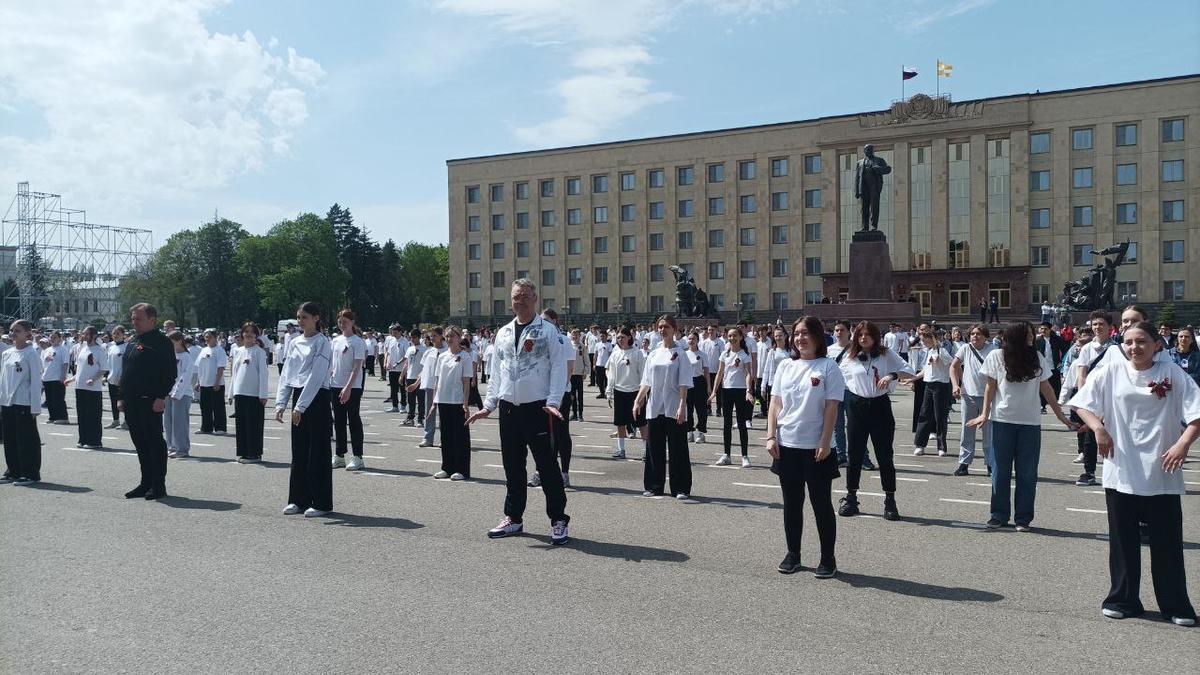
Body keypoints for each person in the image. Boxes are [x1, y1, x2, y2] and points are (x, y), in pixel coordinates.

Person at [1070, 321, 1198, 626]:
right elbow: (1081, 403)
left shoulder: (1172, 374)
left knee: (1167, 542)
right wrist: (1099, 428)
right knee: (1123, 540)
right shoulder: (1111, 372)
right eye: (1128, 342)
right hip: (1122, 468)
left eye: (1141, 342)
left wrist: (1182, 444)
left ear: (1157, 345)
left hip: (1162, 471)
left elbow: (1196, 412)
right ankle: (1123, 599)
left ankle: (1175, 605)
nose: (1134, 348)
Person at [466, 279, 570, 545]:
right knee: (512, 466)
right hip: (510, 409)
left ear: (535, 298)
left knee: (547, 467)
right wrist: (489, 405)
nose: (520, 300)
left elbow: (559, 367)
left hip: (540, 407)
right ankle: (513, 517)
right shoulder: (502, 333)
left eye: (525, 295)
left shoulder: (548, 331)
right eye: (515, 296)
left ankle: (558, 518)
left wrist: (554, 401)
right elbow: (497, 372)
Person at [968, 322, 1075, 531]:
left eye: (1032, 335)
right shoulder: (997, 356)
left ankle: (1023, 519)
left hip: (1030, 423)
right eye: (1027, 335)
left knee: (1027, 473)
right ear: (1016, 336)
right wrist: (984, 413)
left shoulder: (1037, 357)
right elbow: (990, 386)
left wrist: (1060, 415)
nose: (1032, 338)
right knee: (1000, 470)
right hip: (1002, 421)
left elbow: (1047, 388)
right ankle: (998, 515)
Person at [767, 317, 844, 578]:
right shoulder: (785, 367)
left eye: (806, 333)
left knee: (821, 504)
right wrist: (770, 436)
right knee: (792, 503)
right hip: (787, 444)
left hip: (816, 448)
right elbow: (775, 404)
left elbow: (831, 407)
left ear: (818, 338)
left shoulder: (828, 367)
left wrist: (824, 442)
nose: (800, 338)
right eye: (796, 333)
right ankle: (793, 554)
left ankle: (827, 558)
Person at [837, 321, 915, 521]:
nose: (863, 338)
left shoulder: (886, 354)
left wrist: (892, 375)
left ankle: (890, 500)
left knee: (884, 455)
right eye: (860, 335)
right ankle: (851, 497)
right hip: (856, 406)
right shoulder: (848, 356)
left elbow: (910, 370)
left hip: (880, 406)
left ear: (875, 336)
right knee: (854, 454)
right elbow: (834, 377)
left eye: (868, 334)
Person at [275, 301, 334, 518]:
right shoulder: (295, 342)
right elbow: (287, 373)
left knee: (317, 452)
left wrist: (301, 406)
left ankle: (321, 502)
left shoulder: (322, 342)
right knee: (299, 450)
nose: (301, 321)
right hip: (300, 396)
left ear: (316, 318)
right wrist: (281, 403)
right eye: (299, 317)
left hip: (317, 397)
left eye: (305, 317)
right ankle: (298, 499)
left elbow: (317, 375)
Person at [119, 303, 177, 500]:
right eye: (133, 318)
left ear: (152, 320)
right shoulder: (134, 340)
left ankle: (158, 485)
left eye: (138, 319)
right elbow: (126, 369)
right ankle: (145, 483)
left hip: (150, 401)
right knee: (140, 443)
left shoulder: (162, 342)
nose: (133, 322)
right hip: (131, 400)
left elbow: (170, 373)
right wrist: (121, 396)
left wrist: (161, 396)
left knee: (154, 442)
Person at [632, 315, 693, 499]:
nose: (662, 330)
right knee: (654, 447)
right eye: (660, 327)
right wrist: (638, 400)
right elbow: (646, 381)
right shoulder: (653, 353)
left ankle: (680, 487)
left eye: (666, 326)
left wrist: (682, 405)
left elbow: (684, 382)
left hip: (674, 406)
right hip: (655, 406)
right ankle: (653, 485)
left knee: (678, 448)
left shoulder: (681, 353)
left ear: (674, 329)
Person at [949, 324, 996, 477]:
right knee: (967, 430)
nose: (975, 336)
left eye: (979, 334)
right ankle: (964, 463)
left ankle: (990, 463)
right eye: (973, 334)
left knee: (988, 432)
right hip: (968, 396)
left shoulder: (993, 350)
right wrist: (956, 385)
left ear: (985, 336)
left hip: (988, 397)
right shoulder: (965, 348)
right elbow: (953, 367)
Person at [1, 320, 43, 486]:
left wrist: (35, 406)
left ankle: (30, 473)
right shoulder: (7, 353)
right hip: (8, 402)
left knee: (26, 439)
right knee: (10, 438)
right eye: (11, 330)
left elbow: (35, 381)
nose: (13, 333)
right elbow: (3, 379)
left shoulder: (31, 353)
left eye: (17, 330)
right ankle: (13, 471)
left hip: (24, 402)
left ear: (28, 333)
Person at [708, 326, 755, 467]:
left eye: (735, 335)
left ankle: (744, 456)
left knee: (741, 424)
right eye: (729, 336)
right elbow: (720, 373)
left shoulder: (744, 355)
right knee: (726, 424)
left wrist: (748, 390)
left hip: (740, 391)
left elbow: (748, 374)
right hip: (727, 391)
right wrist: (714, 391)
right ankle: (726, 455)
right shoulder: (724, 354)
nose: (732, 338)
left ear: (740, 337)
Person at [432, 325, 473, 481]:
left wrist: (465, 403)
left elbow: (466, 381)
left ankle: (461, 469)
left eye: (452, 336)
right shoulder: (442, 356)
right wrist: (434, 401)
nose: (449, 339)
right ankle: (447, 467)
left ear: (458, 338)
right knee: (446, 435)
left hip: (457, 401)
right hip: (443, 399)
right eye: (447, 336)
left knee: (460, 436)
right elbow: (438, 380)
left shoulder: (465, 357)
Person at [330, 309, 367, 471]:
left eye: (345, 321)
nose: (342, 324)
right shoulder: (335, 341)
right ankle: (339, 455)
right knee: (338, 421)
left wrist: (348, 387)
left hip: (353, 387)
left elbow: (357, 367)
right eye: (340, 321)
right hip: (335, 385)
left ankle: (358, 456)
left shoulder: (358, 342)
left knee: (353, 419)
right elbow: (332, 364)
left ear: (352, 322)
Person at [910, 330, 954, 457]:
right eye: (922, 340)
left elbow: (952, 365)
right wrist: (913, 378)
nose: (923, 342)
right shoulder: (928, 351)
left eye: (925, 340)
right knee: (924, 414)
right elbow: (926, 370)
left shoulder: (942, 350)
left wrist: (939, 356)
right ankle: (920, 445)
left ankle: (941, 447)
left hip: (941, 385)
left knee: (940, 416)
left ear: (932, 339)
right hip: (928, 385)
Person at [229, 322, 268, 463]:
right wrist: (231, 392)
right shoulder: (238, 351)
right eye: (246, 331)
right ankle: (244, 452)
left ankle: (255, 454)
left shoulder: (259, 352)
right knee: (241, 425)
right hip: (240, 392)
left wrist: (263, 394)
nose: (248, 334)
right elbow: (234, 372)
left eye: (252, 332)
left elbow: (264, 375)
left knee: (253, 425)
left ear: (256, 335)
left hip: (254, 394)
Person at [607, 327, 647, 459]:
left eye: (623, 337)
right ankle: (621, 450)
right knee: (620, 423)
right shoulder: (615, 353)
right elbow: (611, 373)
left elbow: (643, 375)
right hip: (619, 391)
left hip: (635, 392)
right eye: (618, 338)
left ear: (629, 337)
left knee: (641, 423)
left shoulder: (637, 353)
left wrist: (643, 394)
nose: (620, 340)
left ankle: (647, 451)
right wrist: (609, 391)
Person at [408, 327, 445, 448]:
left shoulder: (447, 351)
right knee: (429, 412)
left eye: (435, 336)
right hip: (430, 385)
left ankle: (444, 438)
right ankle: (428, 437)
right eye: (431, 336)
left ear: (441, 336)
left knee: (444, 413)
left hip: (443, 385)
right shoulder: (429, 351)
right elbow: (424, 370)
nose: (432, 338)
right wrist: (415, 384)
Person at [72, 327, 108, 449]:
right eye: (83, 333)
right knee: (82, 414)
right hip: (80, 387)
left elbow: (103, 369)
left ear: (94, 336)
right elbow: (80, 368)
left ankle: (94, 441)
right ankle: (83, 439)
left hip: (93, 389)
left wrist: (93, 379)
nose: (84, 335)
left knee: (93, 415)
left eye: (87, 334)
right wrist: (71, 379)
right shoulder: (82, 348)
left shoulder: (99, 350)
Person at [165, 332, 195, 459]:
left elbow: (185, 376)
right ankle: (171, 446)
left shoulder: (187, 357)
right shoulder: (170, 355)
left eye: (171, 342)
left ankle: (182, 449)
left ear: (179, 341)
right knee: (168, 421)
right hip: (168, 392)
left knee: (179, 422)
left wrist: (177, 392)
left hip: (182, 394)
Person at [195, 330, 227, 435]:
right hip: (204, 383)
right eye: (206, 337)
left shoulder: (219, 350)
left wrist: (217, 382)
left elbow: (221, 367)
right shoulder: (204, 350)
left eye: (209, 337)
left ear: (215, 337)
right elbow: (199, 367)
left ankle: (220, 428)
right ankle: (206, 427)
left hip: (216, 383)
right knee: (205, 407)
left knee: (218, 407)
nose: (207, 339)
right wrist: (198, 382)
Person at [684, 331, 711, 445]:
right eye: (689, 339)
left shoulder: (703, 355)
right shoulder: (684, 354)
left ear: (697, 341)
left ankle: (701, 432)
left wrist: (709, 386)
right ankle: (689, 431)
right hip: (687, 382)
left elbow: (706, 371)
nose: (691, 341)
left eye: (693, 339)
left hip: (699, 382)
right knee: (688, 409)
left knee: (701, 409)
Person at [1035, 322, 1067, 413]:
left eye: (1045, 329)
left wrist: (1061, 362)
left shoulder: (1057, 339)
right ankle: (1042, 406)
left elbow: (1065, 351)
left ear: (1050, 329)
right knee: (1042, 387)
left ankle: (1057, 407)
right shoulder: (1037, 340)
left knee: (1055, 387)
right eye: (1041, 329)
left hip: (1054, 367)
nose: (1043, 331)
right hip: (1041, 368)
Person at [41, 332, 69, 424]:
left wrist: (63, 375)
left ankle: (63, 417)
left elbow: (65, 363)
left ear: (59, 339)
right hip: (47, 377)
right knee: (49, 399)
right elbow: (43, 364)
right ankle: (52, 417)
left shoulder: (63, 350)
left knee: (58, 399)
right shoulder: (47, 350)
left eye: (55, 337)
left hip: (57, 378)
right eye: (51, 337)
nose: (52, 339)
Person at [104, 326, 128, 429]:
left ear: (123, 335)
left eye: (118, 333)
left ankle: (127, 421)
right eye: (114, 333)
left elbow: (128, 364)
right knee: (113, 400)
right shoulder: (111, 347)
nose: (116, 335)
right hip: (112, 378)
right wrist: (106, 376)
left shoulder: (127, 347)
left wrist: (123, 377)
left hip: (122, 379)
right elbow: (108, 363)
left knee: (123, 401)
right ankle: (115, 420)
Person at [401, 328, 425, 425]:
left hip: (419, 378)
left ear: (419, 337)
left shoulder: (424, 349)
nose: (412, 339)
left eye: (414, 337)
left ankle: (420, 419)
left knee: (421, 400)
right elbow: (407, 363)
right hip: (410, 377)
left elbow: (425, 365)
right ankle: (410, 418)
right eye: (411, 337)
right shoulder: (410, 349)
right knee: (410, 399)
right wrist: (402, 375)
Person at [384, 325, 405, 413]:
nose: (394, 334)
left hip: (401, 369)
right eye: (393, 332)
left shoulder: (405, 342)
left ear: (400, 332)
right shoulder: (391, 340)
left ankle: (403, 405)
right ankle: (395, 406)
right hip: (392, 368)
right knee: (393, 388)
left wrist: (398, 363)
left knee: (402, 388)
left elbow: (406, 356)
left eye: (396, 332)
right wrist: (386, 362)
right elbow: (388, 352)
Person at [568, 328, 588, 421]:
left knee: (579, 395)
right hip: (570, 374)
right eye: (573, 334)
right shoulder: (568, 346)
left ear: (580, 336)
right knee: (572, 395)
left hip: (579, 374)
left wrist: (585, 372)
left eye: (577, 335)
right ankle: (574, 414)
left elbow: (586, 360)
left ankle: (580, 414)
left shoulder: (582, 346)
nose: (575, 336)